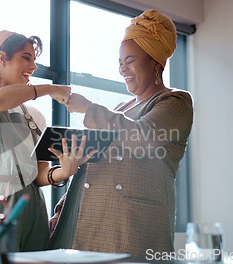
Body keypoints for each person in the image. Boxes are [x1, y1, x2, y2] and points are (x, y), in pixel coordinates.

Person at [48, 10, 194, 256]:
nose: (122, 69)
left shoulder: (175, 102)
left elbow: (142, 139)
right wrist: (62, 210)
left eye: (130, 61)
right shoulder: (120, 109)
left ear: (155, 62)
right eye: (119, 63)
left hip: (131, 226)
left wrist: (88, 109)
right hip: (91, 219)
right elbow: (91, 159)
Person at [0, 30, 97, 252]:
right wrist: (49, 88)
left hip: (32, 204)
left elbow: (38, 175)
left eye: (34, 60)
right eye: (26, 57)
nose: (33, 67)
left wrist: (64, 171)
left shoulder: (33, 116)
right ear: (2, 58)